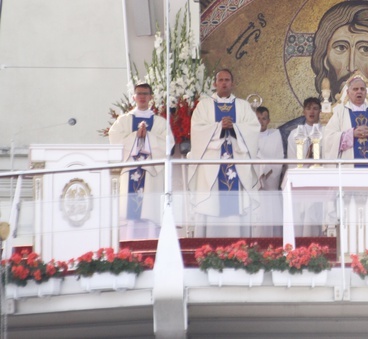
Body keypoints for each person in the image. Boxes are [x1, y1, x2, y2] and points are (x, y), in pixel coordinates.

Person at [187, 69, 261, 237]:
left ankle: (239, 245)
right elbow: (197, 130)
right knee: (212, 202)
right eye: (221, 80)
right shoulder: (204, 105)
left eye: (227, 80)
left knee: (236, 209)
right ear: (215, 83)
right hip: (213, 165)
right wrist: (219, 127)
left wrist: (234, 127)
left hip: (237, 162)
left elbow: (253, 128)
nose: (224, 83)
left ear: (232, 83)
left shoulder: (242, 106)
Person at [108, 83, 173, 240]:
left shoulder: (160, 122)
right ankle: (128, 241)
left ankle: (151, 241)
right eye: (139, 93)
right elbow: (114, 139)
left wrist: (148, 137)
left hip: (151, 174)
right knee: (129, 212)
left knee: (149, 209)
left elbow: (168, 143)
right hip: (131, 170)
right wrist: (135, 136)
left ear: (151, 97)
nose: (142, 96)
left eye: (145, 93)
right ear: (133, 97)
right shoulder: (123, 121)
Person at [322, 73, 368, 166]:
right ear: (348, 93)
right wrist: (351, 134)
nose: (359, 91)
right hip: (349, 169)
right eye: (355, 89)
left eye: (362, 89)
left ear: (366, 92)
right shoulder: (339, 114)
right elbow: (329, 138)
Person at [255, 106, 285, 237]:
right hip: (254, 183)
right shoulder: (248, 136)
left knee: (270, 214)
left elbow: (279, 158)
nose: (261, 121)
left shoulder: (275, 135)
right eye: (258, 118)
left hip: (270, 180)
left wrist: (265, 171)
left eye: (264, 118)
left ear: (268, 120)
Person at [286, 97, 324, 162]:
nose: (312, 112)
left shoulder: (325, 132)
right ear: (304, 112)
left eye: (315, 108)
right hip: (300, 170)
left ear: (320, 111)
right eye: (308, 108)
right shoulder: (294, 134)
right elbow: (291, 160)